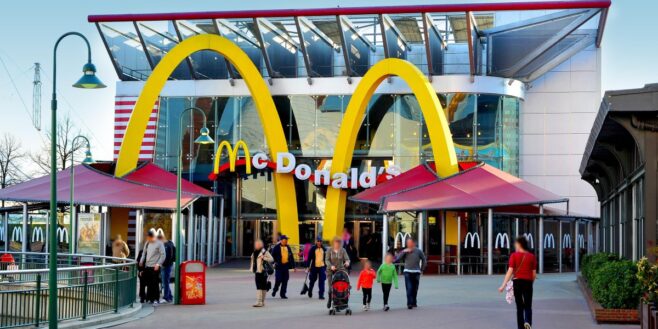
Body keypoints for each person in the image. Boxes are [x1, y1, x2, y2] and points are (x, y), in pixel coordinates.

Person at [499, 236, 537, 329]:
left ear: (520, 244)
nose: (515, 245)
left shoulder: (514, 255)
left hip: (517, 282)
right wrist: (530, 283)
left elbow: (510, 271)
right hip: (528, 282)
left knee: (519, 307)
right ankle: (527, 321)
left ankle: (520, 327)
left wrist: (503, 285)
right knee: (528, 305)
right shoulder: (532, 257)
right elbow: (534, 275)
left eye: (516, 244)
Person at [395, 238, 427, 309]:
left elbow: (424, 259)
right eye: (407, 243)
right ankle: (409, 303)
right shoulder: (405, 251)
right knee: (409, 288)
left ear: (413, 243)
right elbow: (397, 258)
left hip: (416, 272)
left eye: (410, 243)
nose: (408, 244)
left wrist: (422, 269)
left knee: (415, 288)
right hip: (407, 271)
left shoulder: (418, 251)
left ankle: (414, 302)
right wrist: (403, 251)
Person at [139, 229, 166, 304]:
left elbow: (163, 255)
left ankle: (155, 299)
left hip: (155, 267)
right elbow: (144, 253)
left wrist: (158, 264)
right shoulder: (147, 243)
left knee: (155, 284)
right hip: (147, 266)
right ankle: (149, 298)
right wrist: (141, 260)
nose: (148, 239)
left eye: (150, 238)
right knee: (148, 283)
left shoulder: (159, 243)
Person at [325, 236, 350, 308]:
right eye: (336, 242)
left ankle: (339, 301)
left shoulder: (343, 250)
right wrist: (331, 266)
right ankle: (330, 299)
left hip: (340, 268)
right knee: (330, 286)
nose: (337, 244)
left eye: (339, 243)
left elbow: (347, 259)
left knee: (340, 284)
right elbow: (326, 260)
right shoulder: (329, 250)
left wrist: (347, 262)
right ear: (333, 243)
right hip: (330, 269)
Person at [270, 234, 295, 299]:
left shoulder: (288, 247)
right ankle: (275, 290)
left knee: (285, 280)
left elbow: (291, 257)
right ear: (282, 240)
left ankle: (283, 294)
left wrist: (294, 267)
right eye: (285, 239)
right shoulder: (276, 247)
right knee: (278, 280)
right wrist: (273, 263)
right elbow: (272, 256)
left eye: (287, 239)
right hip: (279, 266)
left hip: (286, 266)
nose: (287, 240)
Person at [250, 239, 273, 307]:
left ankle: (260, 301)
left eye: (257, 244)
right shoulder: (255, 252)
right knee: (262, 286)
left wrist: (264, 258)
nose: (256, 245)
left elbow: (271, 259)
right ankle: (262, 302)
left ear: (260, 245)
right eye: (255, 244)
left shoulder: (264, 252)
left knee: (260, 286)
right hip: (257, 271)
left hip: (263, 271)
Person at [158, 232, 176, 303]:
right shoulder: (170, 244)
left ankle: (166, 297)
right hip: (167, 265)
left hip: (166, 266)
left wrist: (162, 264)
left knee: (165, 282)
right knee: (166, 281)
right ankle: (170, 296)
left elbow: (168, 257)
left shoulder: (166, 245)